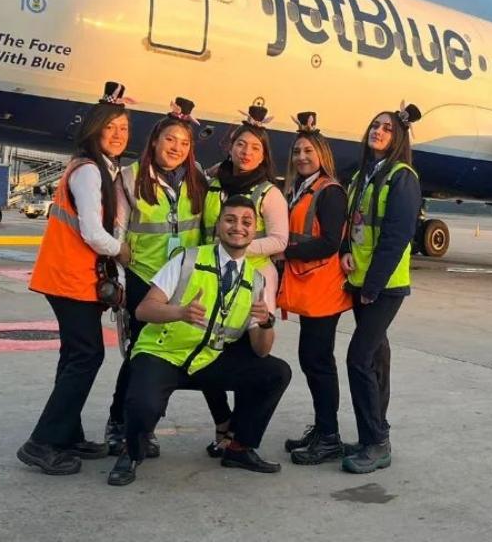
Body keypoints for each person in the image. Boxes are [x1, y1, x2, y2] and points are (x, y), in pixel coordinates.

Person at [109, 195, 291, 486]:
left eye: (246, 222)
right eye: (230, 220)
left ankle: (239, 447)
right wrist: (179, 312)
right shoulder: (188, 259)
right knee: (144, 405)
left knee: (276, 372)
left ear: (255, 229)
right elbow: (144, 309)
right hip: (163, 354)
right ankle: (131, 453)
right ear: (219, 225)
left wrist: (266, 323)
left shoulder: (256, 281)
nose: (238, 227)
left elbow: (261, 348)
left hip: (208, 360)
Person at [17, 91, 132, 476]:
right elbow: (93, 232)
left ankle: (67, 433)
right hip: (70, 277)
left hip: (73, 277)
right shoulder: (88, 171)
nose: (117, 134)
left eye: (123, 128)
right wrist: (122, 252)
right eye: (110, 127)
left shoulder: (100, 168)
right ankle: (43, 442)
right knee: (87, 356)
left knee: (73, 356)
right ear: (93, 130)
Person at [104, 97, 208, 458]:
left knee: (171, 352)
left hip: (183, 280)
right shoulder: (131, 178)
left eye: (184, 143)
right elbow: (115, 228)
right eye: (170, 141)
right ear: (154, 142)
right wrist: (119, 257)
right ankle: (122, 423)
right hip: (144, 278)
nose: (176, 148)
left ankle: (141, 424)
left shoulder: (200, 180)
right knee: (140, 353)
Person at [198, 103, 289, 457]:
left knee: (250, 357)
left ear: (264, 154)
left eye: (255, 147)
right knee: (207, 349)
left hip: (254, 280)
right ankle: (223, 422)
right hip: (210, 276)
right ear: (230, 147)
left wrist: (237, 247)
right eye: (241, 145)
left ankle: (240, 430)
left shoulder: (270, 193)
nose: (246, 152)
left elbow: (280, 241)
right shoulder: (211, 184)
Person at [339, 103, 423, 474]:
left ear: (398, 138)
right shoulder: (362, 177)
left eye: (387, 128)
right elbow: (352, 225)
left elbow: (398, 236)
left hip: (384, 286)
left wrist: (372, 285)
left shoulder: (402, 177)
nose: (378, 131)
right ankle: (374, 431)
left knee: (358, 358)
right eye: (375, 125)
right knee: (375, 357)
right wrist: (344, 252)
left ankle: (377, 441)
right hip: (359, 281)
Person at [277, 112, 353, 465]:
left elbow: (328, 243)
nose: (302, 157)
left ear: (322, 154)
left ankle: (330, 436)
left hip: (323, 289)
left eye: (308, 151)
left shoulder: (330, 192)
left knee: (318, 362)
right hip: (309, 287)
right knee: (313, 360)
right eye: (297, 152)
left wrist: (284, 250)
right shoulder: (299, 189)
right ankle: (324, 429)